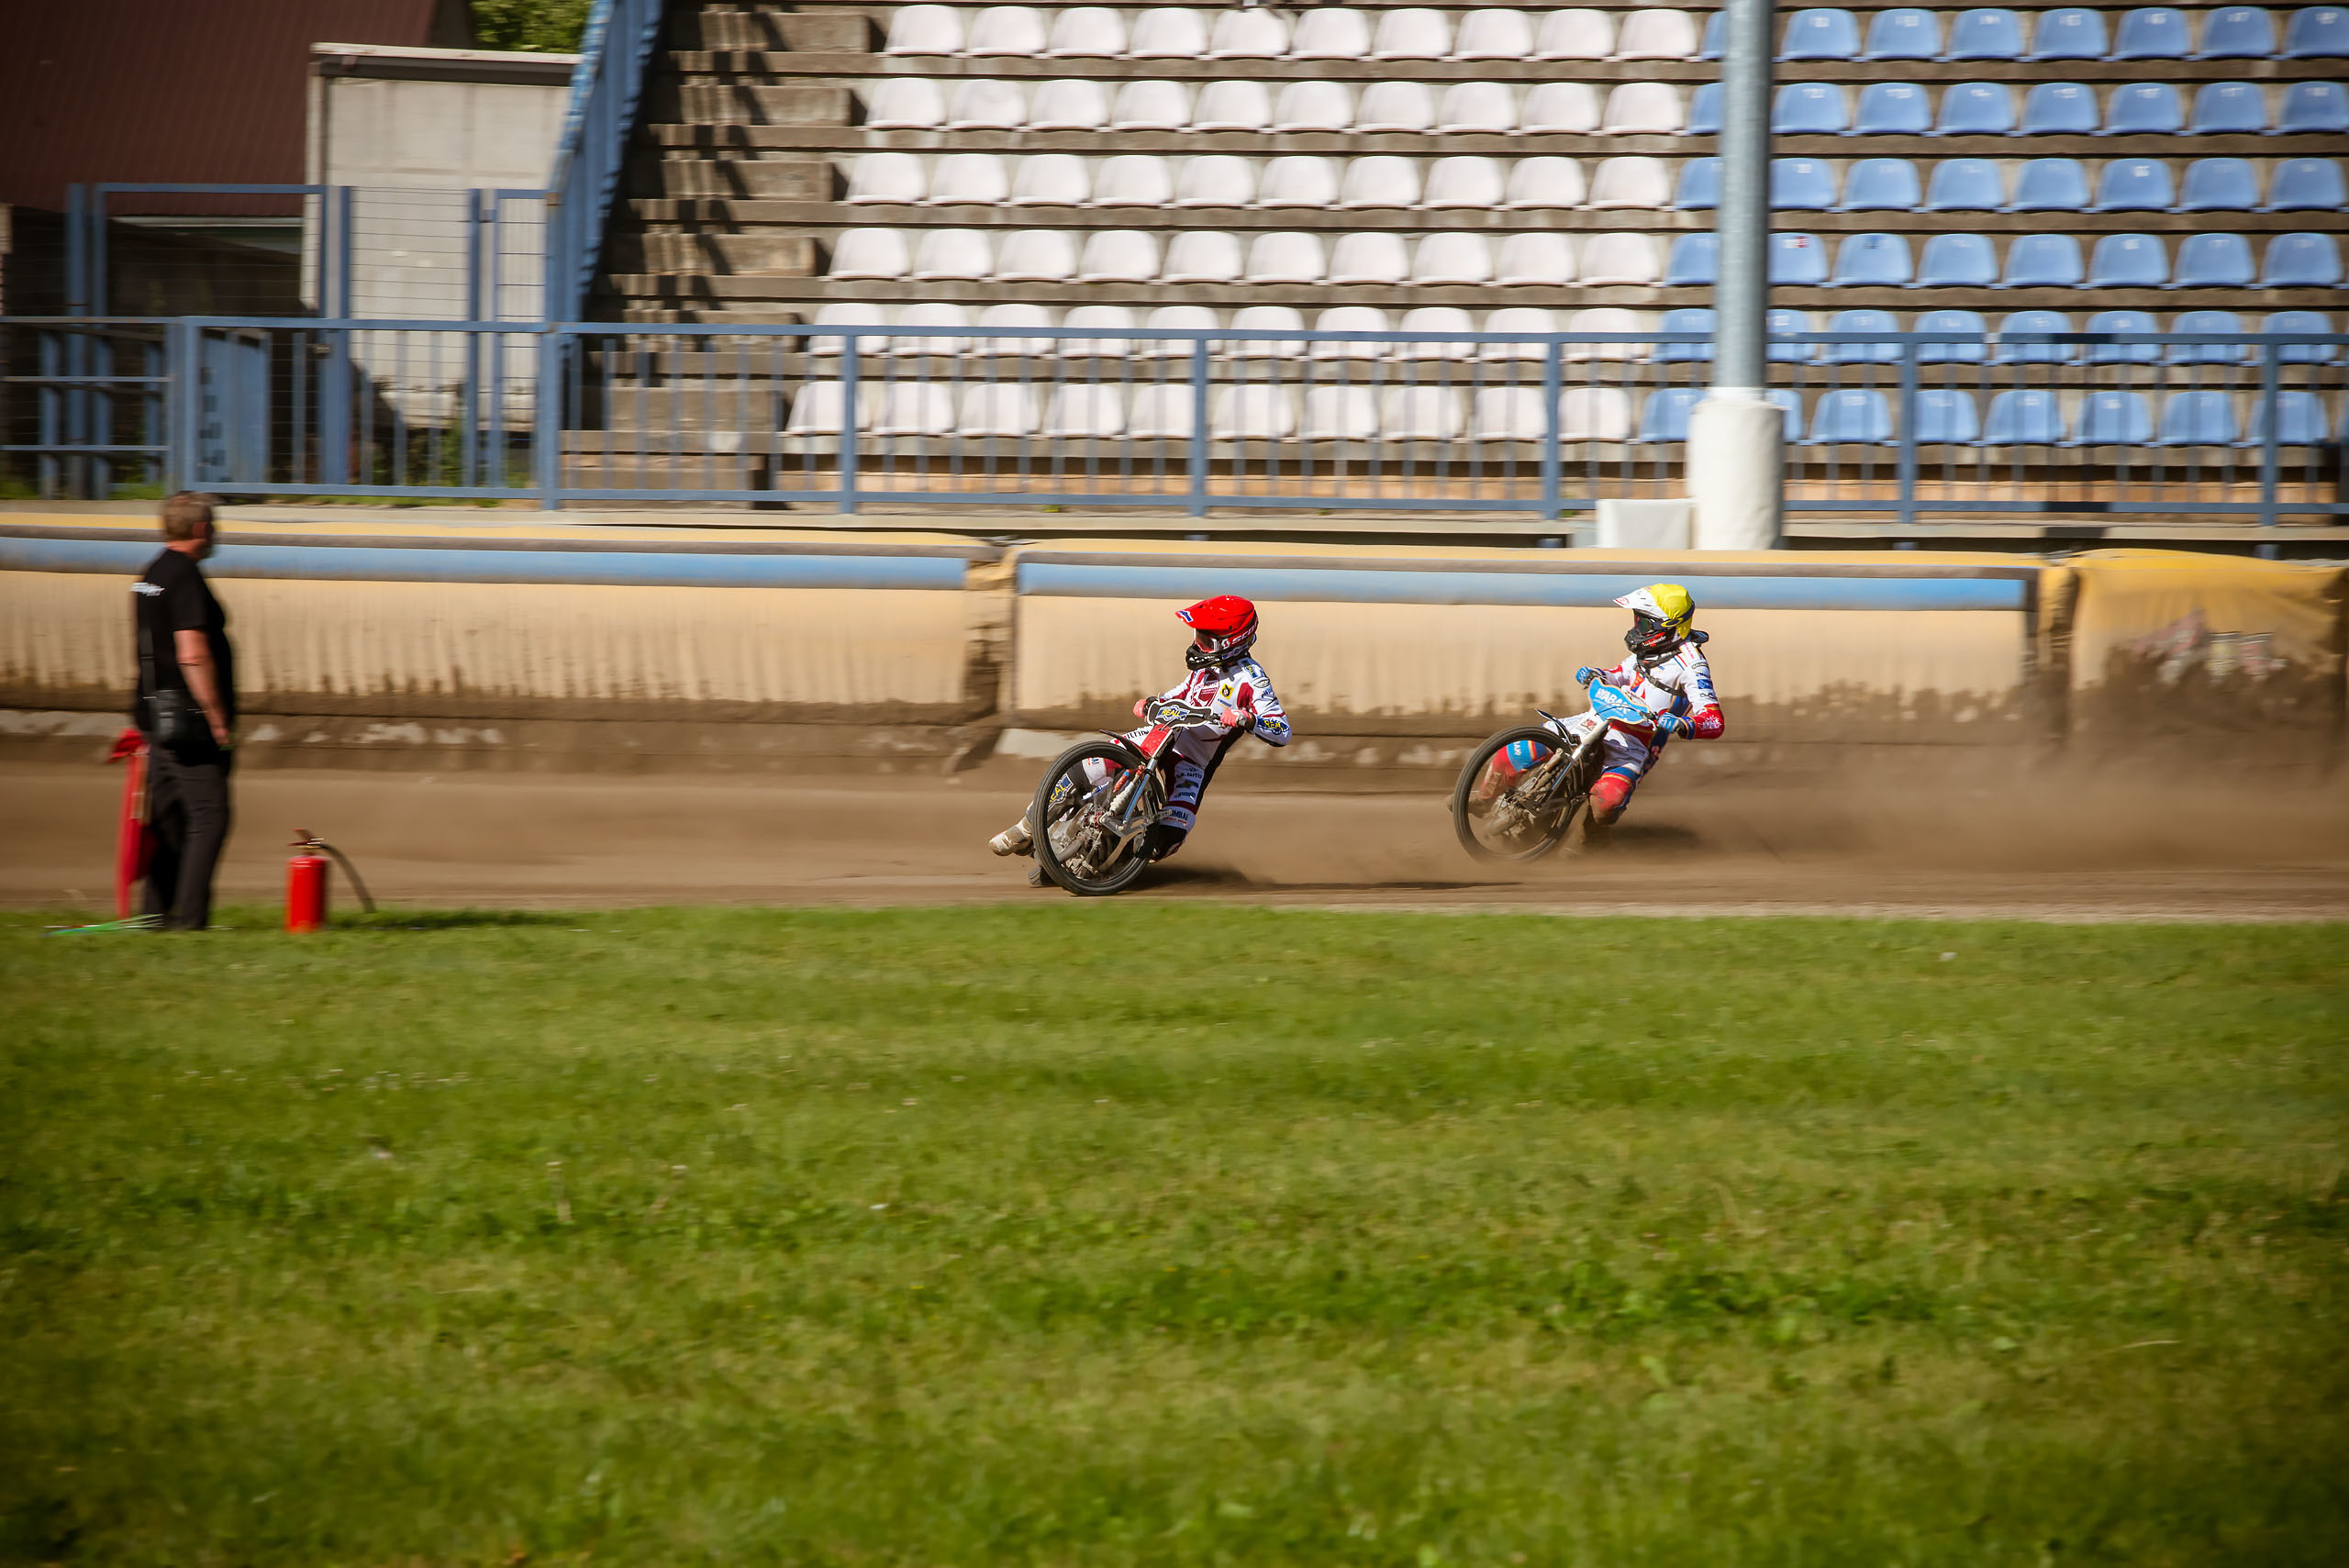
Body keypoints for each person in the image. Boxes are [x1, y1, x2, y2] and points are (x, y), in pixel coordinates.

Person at [990, 595, 1291, 878]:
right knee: (1088, 767)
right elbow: (1180, 692)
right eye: (1197, 636)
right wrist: (1152, 702)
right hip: (1159, 735)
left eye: (1206, 639)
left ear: (1233, 641)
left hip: (1192, 762)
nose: (1198, 645)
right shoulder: (1204, 669)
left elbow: (1282, 731)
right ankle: (1026, 829)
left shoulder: (1252, 680)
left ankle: (1115, 873)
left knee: (1170, 837)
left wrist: (1248, 719)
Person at [130, 493, 236, 929]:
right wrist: (215, 717)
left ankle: (154, 914)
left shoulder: (151, 574)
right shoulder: (186, 577)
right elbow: (192, 653)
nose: (215, 534)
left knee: (169, 820)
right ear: (199, 530)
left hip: (156, 718)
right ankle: (190, 921)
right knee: (209, 817)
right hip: (188, 723)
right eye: (212, 526)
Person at [1555, 582, 1724, 832]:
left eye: (1644, 624)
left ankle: (1592, 843)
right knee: (1521, 749)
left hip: (1635, 743)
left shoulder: (1693, 665)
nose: (1637, 628)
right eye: (1638, 620)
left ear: (1667, 627)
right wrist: (1597, 674)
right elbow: (1619, 675)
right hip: (1599, 720)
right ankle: (1483, 801)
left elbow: (1714, 720)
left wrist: (1684, 723)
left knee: (1606, 804)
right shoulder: (1648, 647)